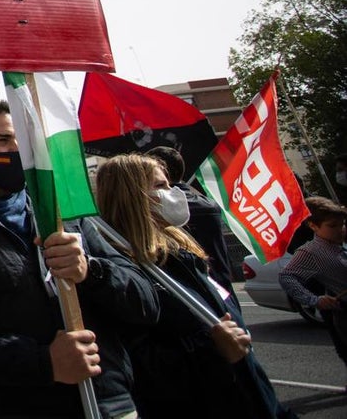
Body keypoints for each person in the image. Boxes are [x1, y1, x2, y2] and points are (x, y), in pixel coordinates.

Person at [0, 98, 159, 419]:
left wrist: (90, 271)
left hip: (108, 403)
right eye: (2, 141)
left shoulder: (66, 210)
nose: (16, 149)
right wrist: (43, 362)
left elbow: (146, 303)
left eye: (20, 140)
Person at [96, 153, 294, 418]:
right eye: (160, 186)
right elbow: (141, 366)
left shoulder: (183, 253)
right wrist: (212, 351)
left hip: (253, 399)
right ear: (132, 197)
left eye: (169, 184)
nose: (173, 192)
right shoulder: (128, 273)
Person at [144, 145, 235, 294]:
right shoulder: (208, 204)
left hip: (194, 293)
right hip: (222, 289)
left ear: (161, 171)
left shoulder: (159, 210)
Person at [280, 196, 347, 374]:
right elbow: (287, 277)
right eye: (332, 226)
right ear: (314, 226)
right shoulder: (311, 252)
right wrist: (314, 300)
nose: (340, 230)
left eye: (341, 224)